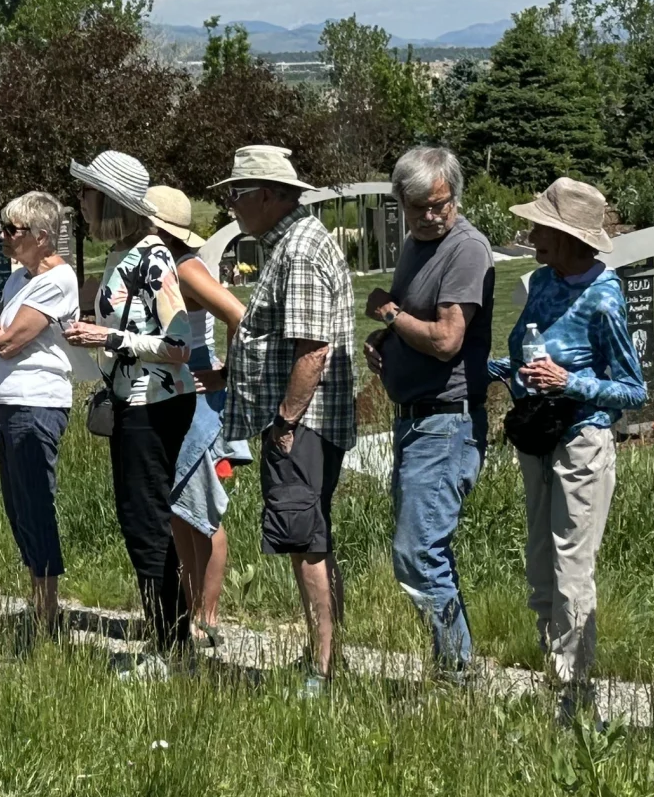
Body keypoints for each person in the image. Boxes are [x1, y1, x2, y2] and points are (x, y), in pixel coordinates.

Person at [492, 178, 645, 721]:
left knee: (570, 566)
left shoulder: (604, 297)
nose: (531, 234)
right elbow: (522, 362)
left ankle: (576, 694)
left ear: (568, 236)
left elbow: (633, 390)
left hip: (581, 441)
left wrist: (568, 381)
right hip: (537, 436)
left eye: (540, 227)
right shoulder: (543, 284)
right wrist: (477, 370)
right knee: (539, 564)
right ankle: (555, 681)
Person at [217, 145, 355, 693]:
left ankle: (320, 669)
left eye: (237, 193)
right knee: (311, 537)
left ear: (268, 195)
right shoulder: (292, 241)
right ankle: (322, 654)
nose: (230, 204)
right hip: (306, 420)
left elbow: (312, 350)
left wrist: (284, 422)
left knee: (305, 543)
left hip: (304, 422)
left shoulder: (297, 250)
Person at [364, 144, 495, 683]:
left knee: (417, 551)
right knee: (422, 549)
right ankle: (453, 664)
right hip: (416, 418)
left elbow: (445, 340)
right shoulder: (417, 245)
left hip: (446, 421)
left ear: (454, 196)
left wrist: (390, 315)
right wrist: (385, 339)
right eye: (417, 206)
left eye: (439, 203)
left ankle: (456, 674)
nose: (430, 215)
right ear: (400, 202)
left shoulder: (465, 249)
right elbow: (414, 323)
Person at [67, 150, 199, 670]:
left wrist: (109, 336)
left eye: (87, 192)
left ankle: (173, 648)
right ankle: (167, 639)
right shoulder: (125, 254)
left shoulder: (151, 256)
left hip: (154, 402)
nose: (79, 201)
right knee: (137, 518)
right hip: (132, 400)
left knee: (147, 522)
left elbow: (180, 342)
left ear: (109, 201)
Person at [0, 190, 79, 642]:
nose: (4, 237)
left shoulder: (59, 279)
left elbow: (8, 341)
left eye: (13, 230)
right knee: (17, 507)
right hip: (8, 404)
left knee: (36, 503)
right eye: (3, 228)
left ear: (43, 236)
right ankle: (38, 600)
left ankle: (48, 614)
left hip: (37, 404)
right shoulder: (19, 280)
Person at [166, 191, 247, 654]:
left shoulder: (188, 268)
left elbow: (238, 314)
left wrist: (223, 374)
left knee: (205, 512)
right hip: (175, 393)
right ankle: (191, 608)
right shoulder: (166, 265)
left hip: (198, 399)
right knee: (181, 511)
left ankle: (208, 615)